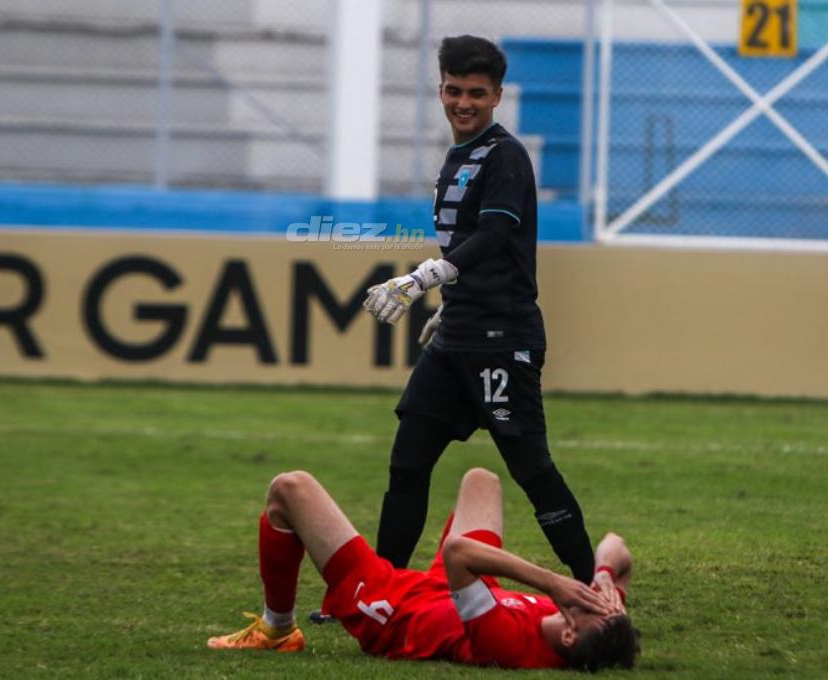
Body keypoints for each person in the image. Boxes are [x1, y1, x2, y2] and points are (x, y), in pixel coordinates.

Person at [362, 35, 596, 584]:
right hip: (457, 336)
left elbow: (493, 236)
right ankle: (379, 593)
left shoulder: (504, 156)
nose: (462, 103)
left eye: (475, 93)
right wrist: (453, 303)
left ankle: (595, 590)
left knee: (532, 469)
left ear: (497, 96)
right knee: (407, 463)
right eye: (453, 90)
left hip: (501, 338)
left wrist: (426, 277)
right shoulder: (457, 156)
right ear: (440, 89)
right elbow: (476, 246)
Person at [207, 468, 639, 671]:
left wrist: (553, 582)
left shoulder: (508, 646)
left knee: (289, 488)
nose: (597, 601)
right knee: (482, 480)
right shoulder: (592, 618)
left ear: (570, 634)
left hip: (389, 607)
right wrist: (604, 574)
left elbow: (457, 553)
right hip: (452, 591)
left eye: (594, 608)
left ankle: (277, 628)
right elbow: (616, 546)